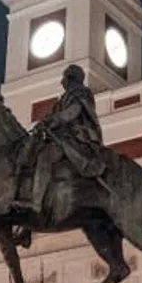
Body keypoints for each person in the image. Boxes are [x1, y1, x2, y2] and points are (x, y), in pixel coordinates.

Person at [24, 64, 105, 215]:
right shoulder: (63, 98)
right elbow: (53, 115)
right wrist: (43, 123)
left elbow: (72, 113)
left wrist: (55, 120)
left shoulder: (81, 93)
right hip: (62, 135)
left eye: (64, 77)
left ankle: (36, 202)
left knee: (44, 158)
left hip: (76, 136)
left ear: (70, 78)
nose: (62, 81)